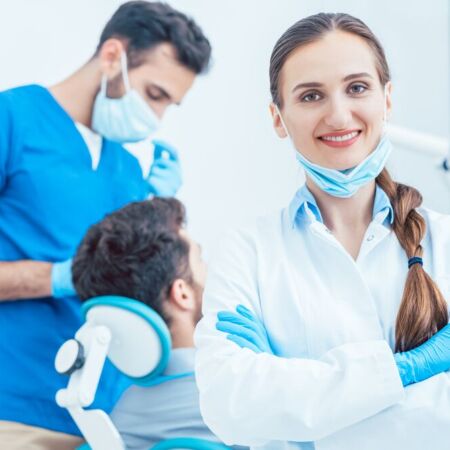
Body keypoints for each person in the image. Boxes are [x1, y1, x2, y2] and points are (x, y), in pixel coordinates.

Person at [194, 13, 450, 450]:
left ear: (387, 99)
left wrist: (294, 402)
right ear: (279, 118)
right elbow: (227, 406)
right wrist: (408, 371)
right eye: (311, 95)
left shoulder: (443, 240)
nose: (338, 114)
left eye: (357, 88)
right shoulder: (249, 251)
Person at [0, 1, 211, 448]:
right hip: (14, 410)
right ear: (113, 56)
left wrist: (157, 205)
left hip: (105, 422)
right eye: (154, 95)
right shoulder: (13, 120)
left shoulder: (129, 172)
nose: (156, 119)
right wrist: (60, 277)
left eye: (169, 105)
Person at [71, 197, 213, 449]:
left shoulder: (116, 421)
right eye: (200, 260)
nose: (210, 269)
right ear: (181, 293)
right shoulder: (239, 395)